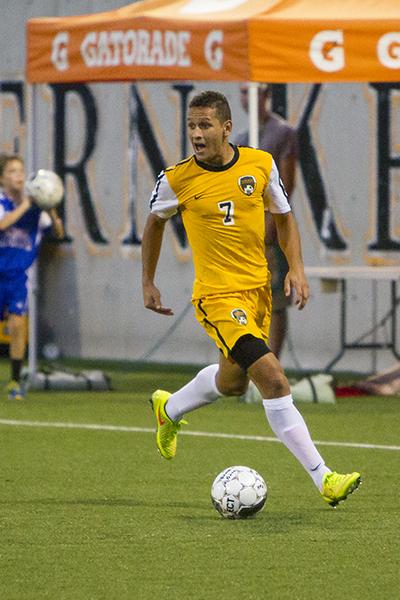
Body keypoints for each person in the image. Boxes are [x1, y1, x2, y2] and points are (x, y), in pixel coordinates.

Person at [141, 91, 361, 507]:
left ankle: (168, 409)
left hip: (257, 290)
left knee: (231, 382)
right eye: (191, 126)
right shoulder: (176, 179)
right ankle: (324, 478)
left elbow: (284, 216)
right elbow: (154, 225)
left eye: (205, 125)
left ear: (226, 128)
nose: (196, 134)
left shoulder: (260, 164)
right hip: (217, 297)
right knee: (273, 379)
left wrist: (296, 267)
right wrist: (148, 283)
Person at [235, 83, 298, 358]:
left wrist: (271, 226)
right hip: (247, 230)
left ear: (266, 95)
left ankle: (272, 362)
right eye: (243, 92)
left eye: (253, 92)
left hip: (270, 229)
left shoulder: (282, 132)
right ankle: (251, 363)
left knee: (275, 299)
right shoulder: (242, 136)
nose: (247, 98)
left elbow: (286, 185)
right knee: (247, 298)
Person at [0, 154, 64, 400]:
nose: (18, 175)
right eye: (12, 171)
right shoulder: (5, 202)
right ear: (3, 178)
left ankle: (15, 381)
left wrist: (52, 208)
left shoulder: (37, 208)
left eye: (20, 171)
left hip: (17, 276)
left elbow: (57, 233)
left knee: (17, 325)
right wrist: (26, 205)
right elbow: (3, 225)